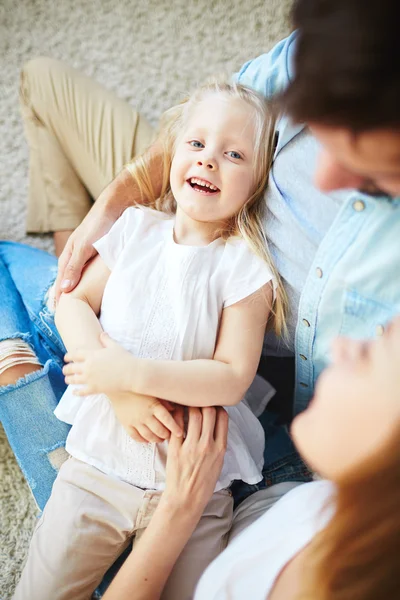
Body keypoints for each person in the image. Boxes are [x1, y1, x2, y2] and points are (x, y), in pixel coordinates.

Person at [1, 0, 400, 590]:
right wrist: (106, 218)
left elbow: (231, 376)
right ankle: (67, 234)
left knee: (24, 362)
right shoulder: (151, 213)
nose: (325, 178)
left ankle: (20, 344)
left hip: (195, 424)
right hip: (141, 278)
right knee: (40, 78)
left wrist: (124, 376)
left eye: (371, 165)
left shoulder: (246, 270)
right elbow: (218, 121)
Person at [13, 80, 285, 600]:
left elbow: (231, 376)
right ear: (173, 155)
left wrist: (135, 373)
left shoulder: (245, 268)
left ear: (257, 182)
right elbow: (70, 302)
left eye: (233, 154)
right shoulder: (137, 229)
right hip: (97, 471)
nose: (208, 162)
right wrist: (117, 387)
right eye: (197, 145)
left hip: (198, 493)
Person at [103, 317, 400, 600]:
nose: (339, 345)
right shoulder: (349, 510)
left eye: (369, 356)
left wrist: (180, 505)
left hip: (206, 492)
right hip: (263, 465)